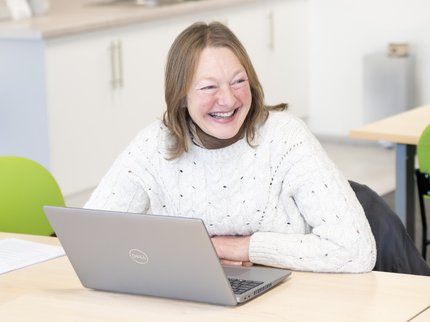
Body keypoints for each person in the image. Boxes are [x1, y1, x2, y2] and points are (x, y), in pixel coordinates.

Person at [85, 21, 376, 273]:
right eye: (209, 87)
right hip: (190, 299)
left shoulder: (286, 137)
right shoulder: (154, 145)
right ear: (182, 96)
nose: (228, 99)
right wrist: (196, 252)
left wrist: (243, 248)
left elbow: (356, 249)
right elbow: (90, 237)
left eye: (238, 82)